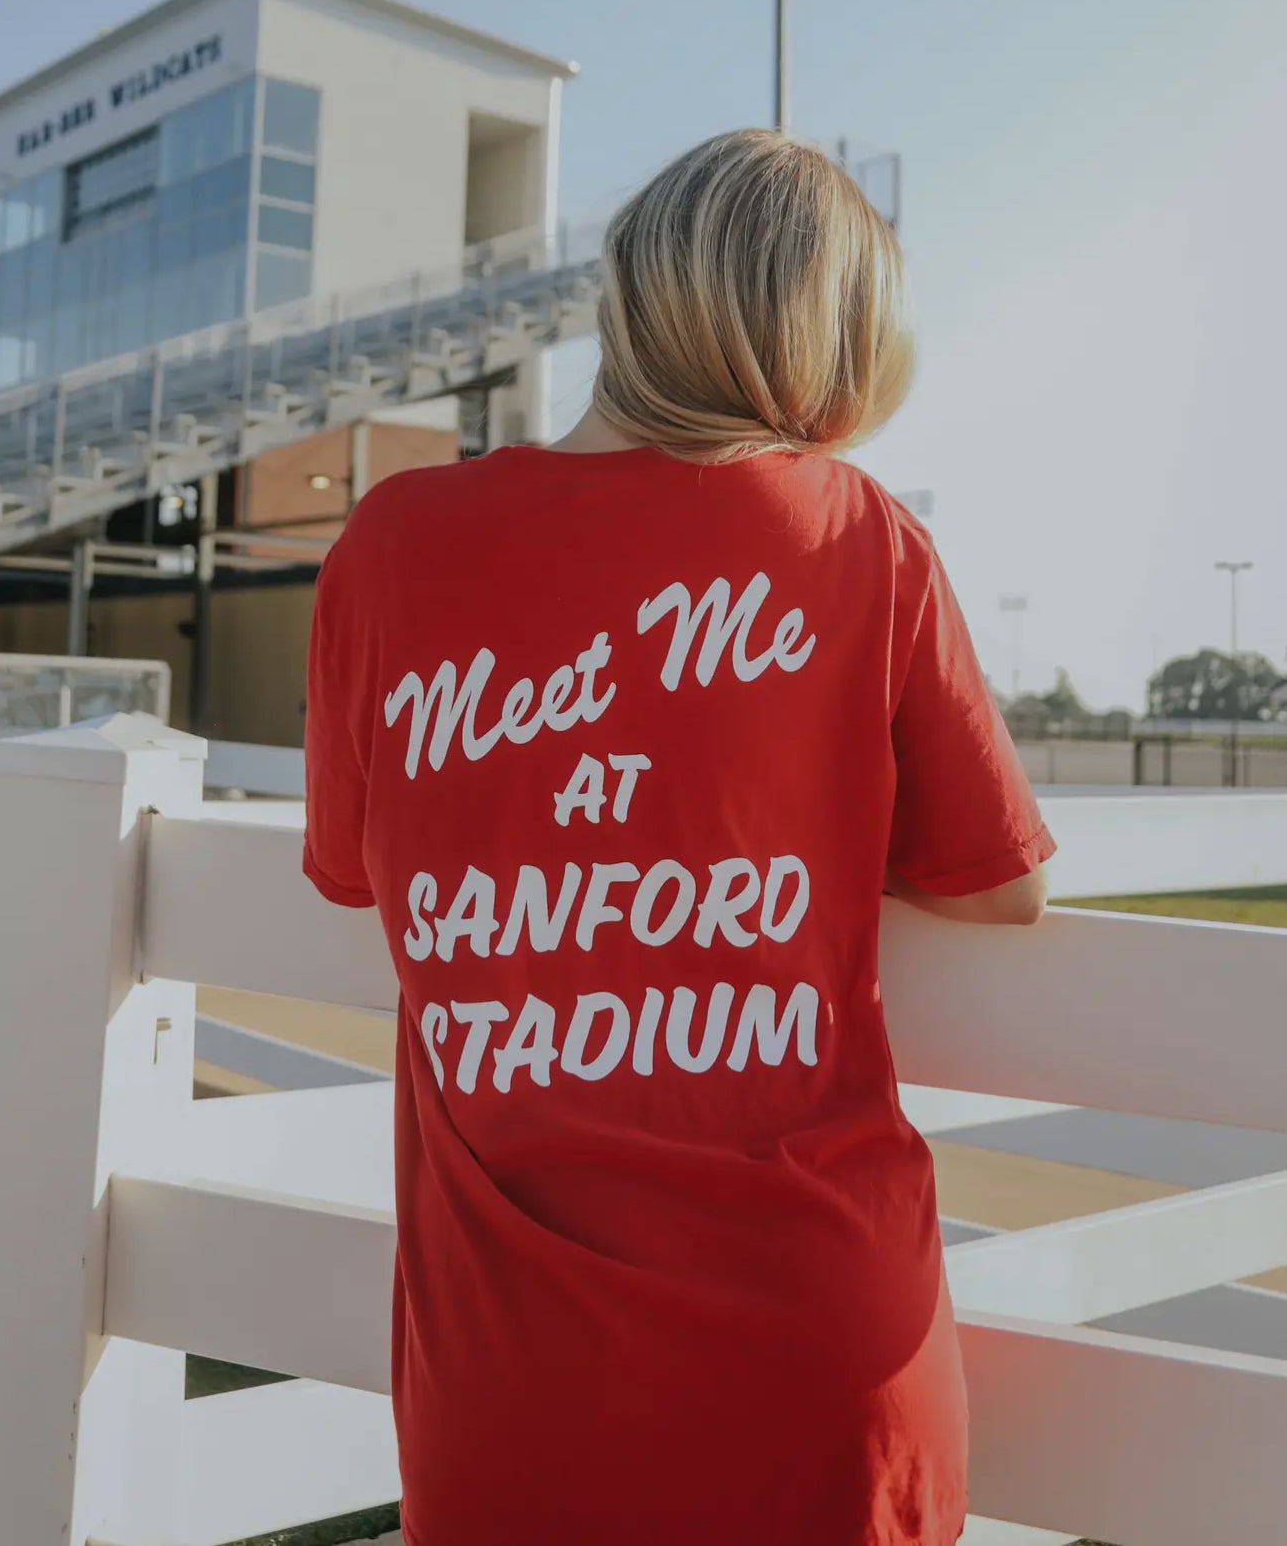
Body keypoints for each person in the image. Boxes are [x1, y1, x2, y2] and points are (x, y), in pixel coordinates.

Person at [304, 128, 1054, 1546]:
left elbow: (357, 869)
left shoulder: (390, 545)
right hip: (824, 1351)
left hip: (508, 1386)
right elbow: (998, 886)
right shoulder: (859, 538)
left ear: (632, 298)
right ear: (818, 343)